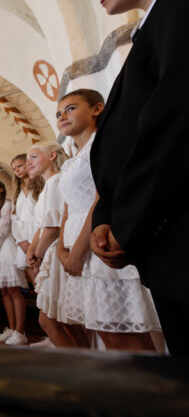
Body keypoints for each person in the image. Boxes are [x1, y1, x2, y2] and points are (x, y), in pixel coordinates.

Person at [84, 0, 188, 356]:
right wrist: (106, 217)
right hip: (166, 239)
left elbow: (174, 124)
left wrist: (125, 224)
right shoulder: (154, 24)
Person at [57, 89, 159, 351]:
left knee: (123, 331)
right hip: (77, 249)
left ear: (97, 108)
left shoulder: (103, 146)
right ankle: (126, 389)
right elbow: (68, 207)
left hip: (98, 244)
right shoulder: (69, 163)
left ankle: (151, 390)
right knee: (105, 331)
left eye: (70, 108)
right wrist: (61, 248)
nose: (62, 116)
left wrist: (78, 253)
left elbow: (101, 199)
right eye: (58, 113)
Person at [26, 141, 88, 348]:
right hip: (49, 251)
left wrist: (38, 254)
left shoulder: (55, 181)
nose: (28, 163)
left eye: (34, 157)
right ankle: (84, 360)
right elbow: (42, 226)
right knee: (64, 319)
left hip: (55, 251)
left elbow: (53, 228)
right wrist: (32, 250)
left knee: (52, 319)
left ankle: (78, 365)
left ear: (52, 156)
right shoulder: (47, 186)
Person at [0, 180, 29, 345]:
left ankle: (20, 331)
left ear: (1, 189)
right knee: (4, 291)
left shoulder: (8, 205)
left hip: (6, 249)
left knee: (14, 290)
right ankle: (11, 328)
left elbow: (3, 229)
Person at [11, 154, 43, 284]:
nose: (17, 170)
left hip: (39, 234)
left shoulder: (40, 186)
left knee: (45, 278)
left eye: (19, 166)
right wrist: (19, 241)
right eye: (14, 168)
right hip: (23, 238)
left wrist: (35, 241)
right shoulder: (16, 193)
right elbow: (14, 220)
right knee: (37, 286)